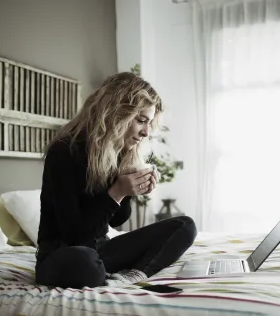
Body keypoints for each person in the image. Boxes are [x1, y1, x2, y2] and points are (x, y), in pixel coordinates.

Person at [35, 72, 197, 289]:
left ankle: (130, 277)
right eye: (141, 121)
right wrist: (118, 192)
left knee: (185, 225)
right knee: (86, 263)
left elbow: (116, 221)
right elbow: (74, 236)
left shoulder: (116, 152)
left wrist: (130, 189)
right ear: (116, 114)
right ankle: (102, 273)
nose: (146, 132)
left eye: (148, 123)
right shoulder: (64, 151)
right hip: (62, 255)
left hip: (100, 250)